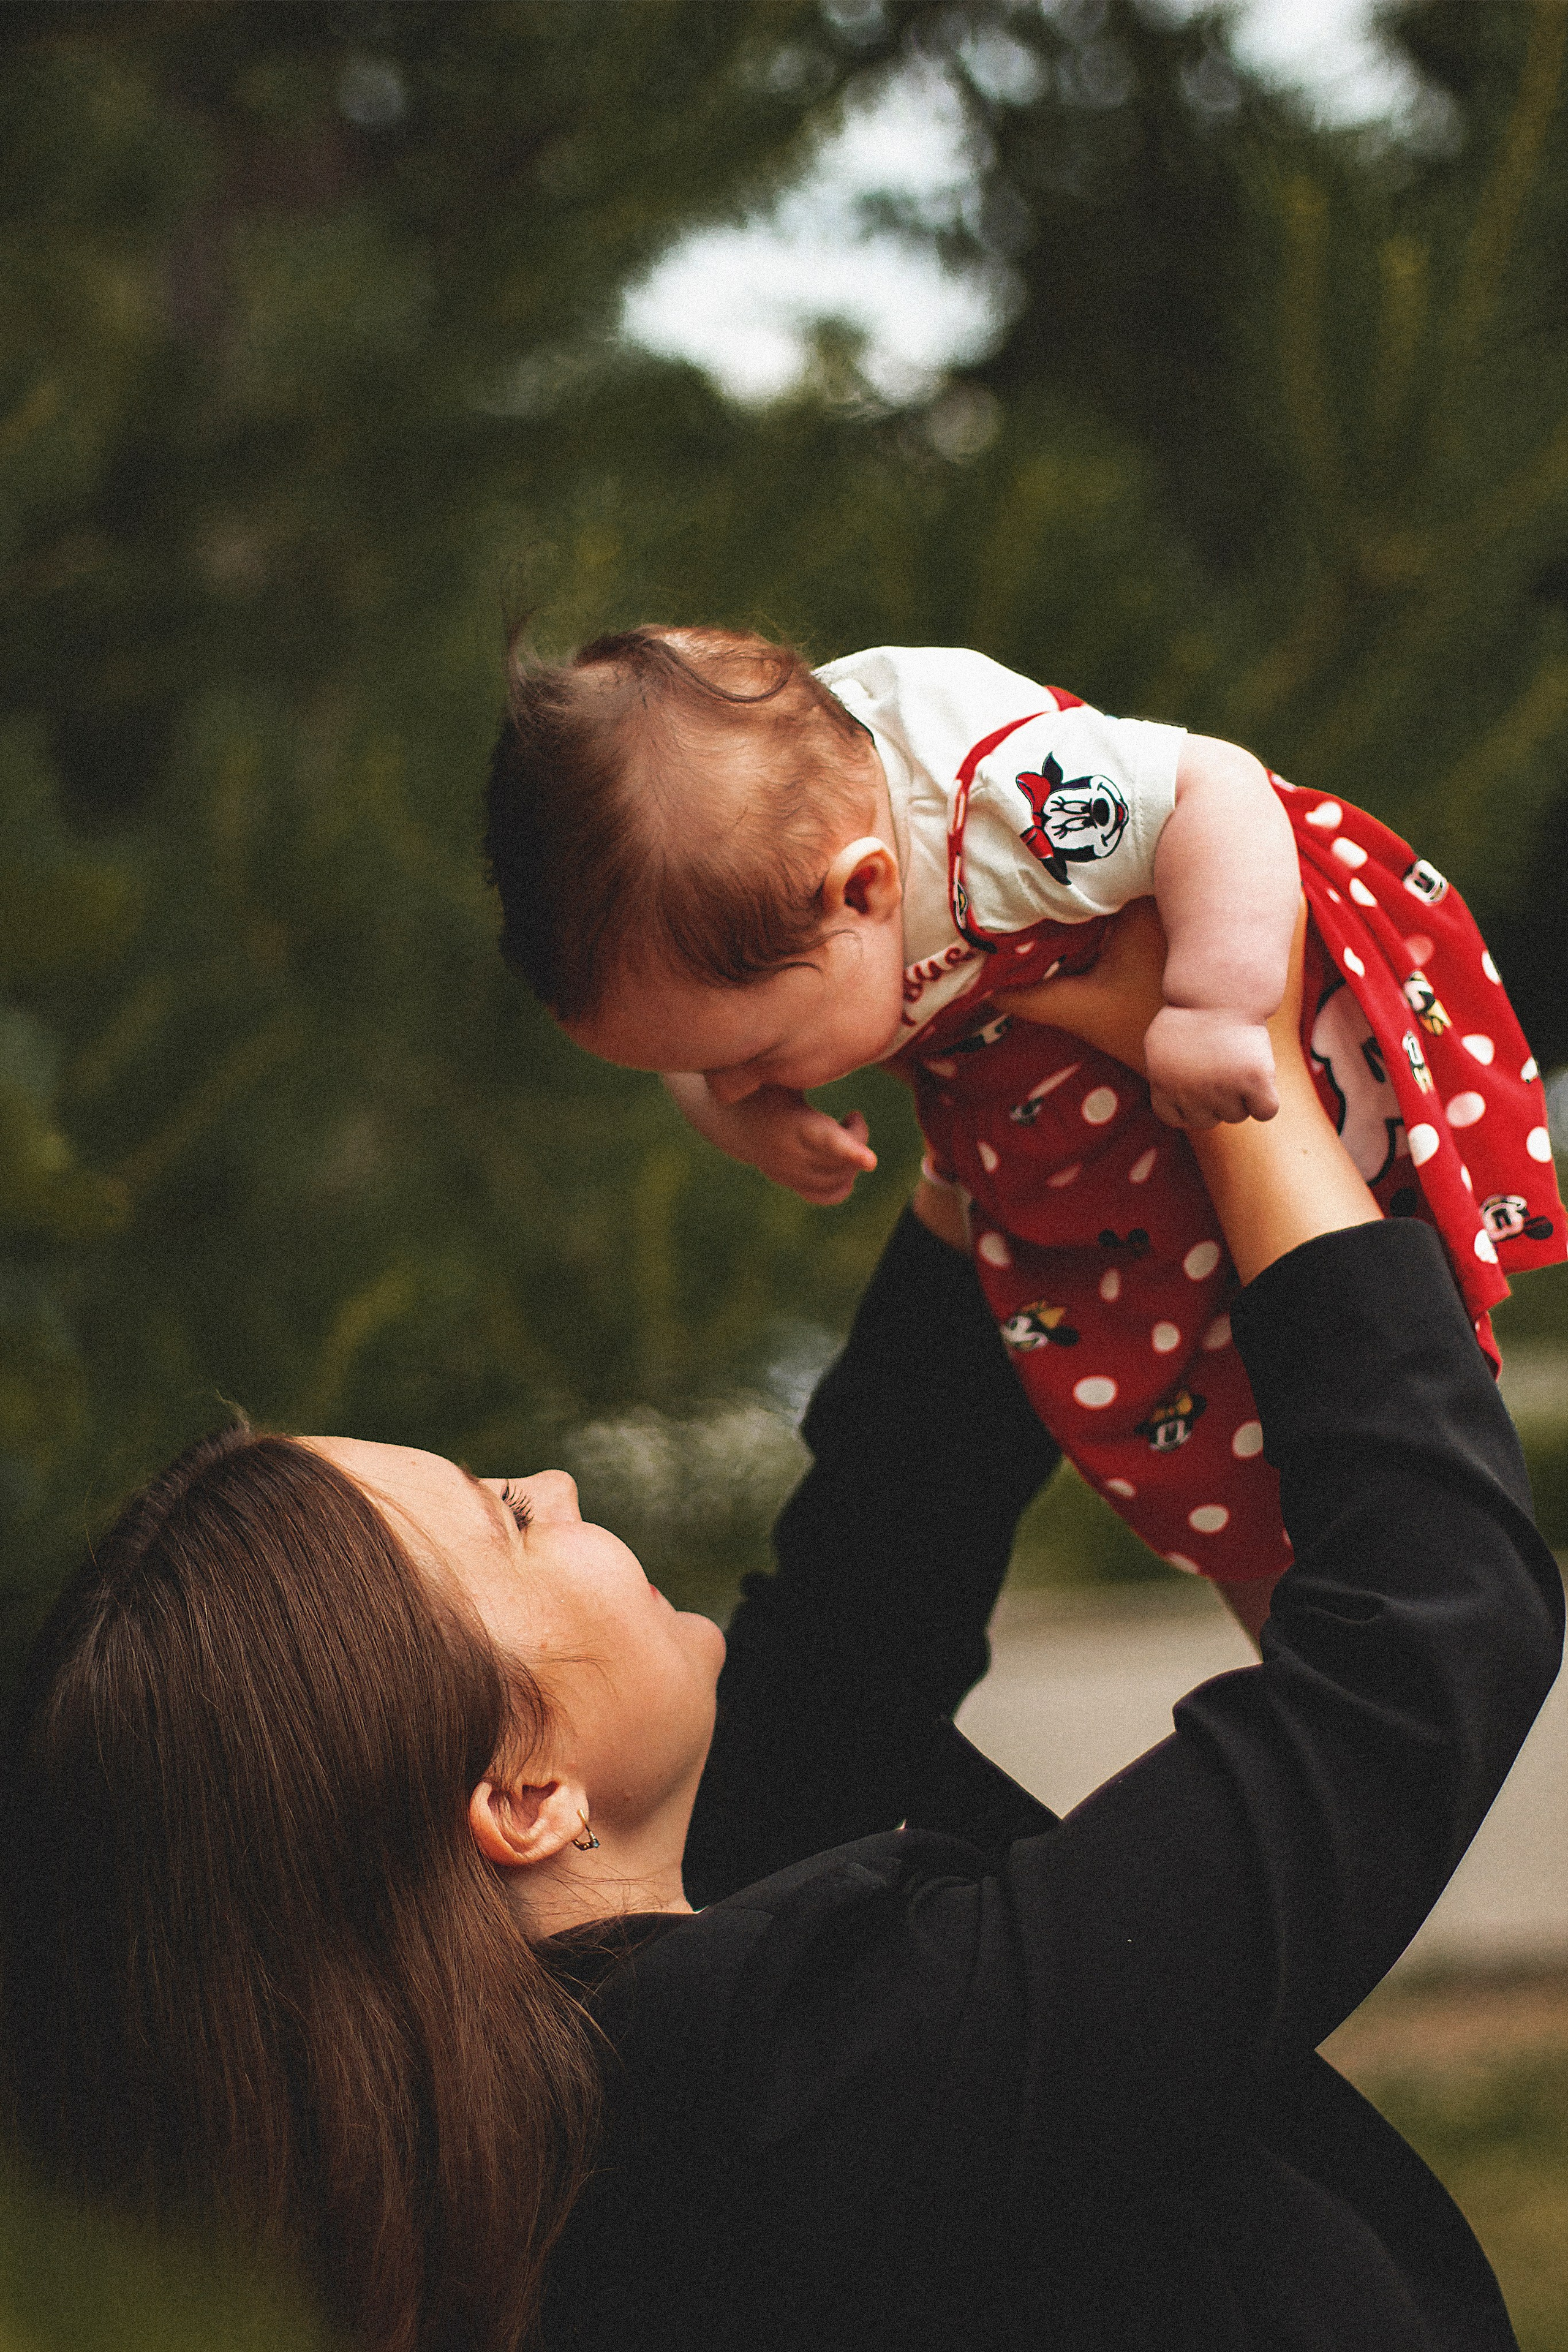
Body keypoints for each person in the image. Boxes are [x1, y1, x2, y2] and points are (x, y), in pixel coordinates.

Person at [1, 916, 1561, 2352]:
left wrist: (984, 1085)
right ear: (522, 1799)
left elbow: (861, 1599)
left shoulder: (570, 2124)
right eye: (509, 1520)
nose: (553, 1479)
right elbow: (1415, 1652)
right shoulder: (784, 2090)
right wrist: (1255, 1081)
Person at [484, 625, 1564, 1634]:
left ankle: (1401, 1632)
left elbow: (1215, 788)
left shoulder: (1007, 812)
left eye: (752, 1059)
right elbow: (704, 1035)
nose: (725, 1082)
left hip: (1238, 1011)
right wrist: (751, 1119)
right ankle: (1317, 1662)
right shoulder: (758, 889)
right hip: (1065, 1134)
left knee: (1334, 1349)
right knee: (1221, 1442)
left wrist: (1216, 1005)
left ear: (864, 892)